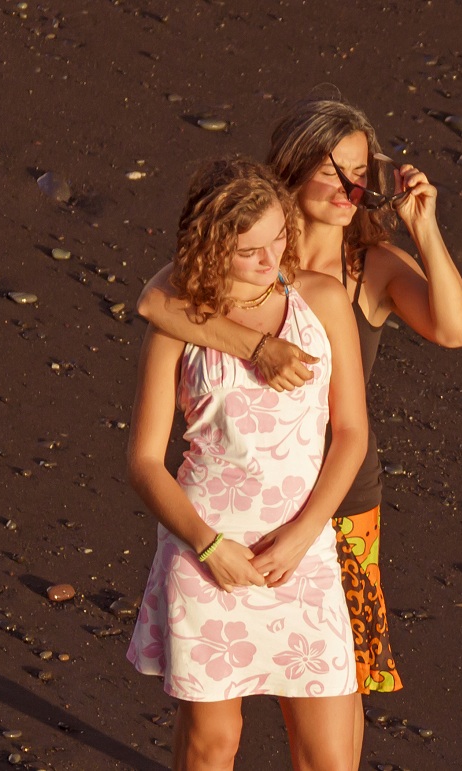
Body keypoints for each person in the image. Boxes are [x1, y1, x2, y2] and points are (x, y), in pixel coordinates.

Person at [136, 98, 462, 710]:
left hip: (344, 506)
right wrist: (256, 345)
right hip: (243, 504)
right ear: (289, 170)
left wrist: (424, 227)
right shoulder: (254, 253)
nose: (351, 187)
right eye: (332, 170)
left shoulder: (367, 269)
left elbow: (455, 331)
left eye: (360, 170)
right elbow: (155, 302)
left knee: (340, 691)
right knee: (220, 704)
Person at [124, 157, 367, 770]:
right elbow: (145, 461)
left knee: (329, 757)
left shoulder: (322, 301)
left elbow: (351, 433)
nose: (271, 258)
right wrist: (209, 546)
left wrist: (304, 536)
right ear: (210, 248)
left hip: (302, 551)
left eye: (278, 236)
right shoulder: (178, 322)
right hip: (207, 552)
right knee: (212, 744)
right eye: (249, 249)